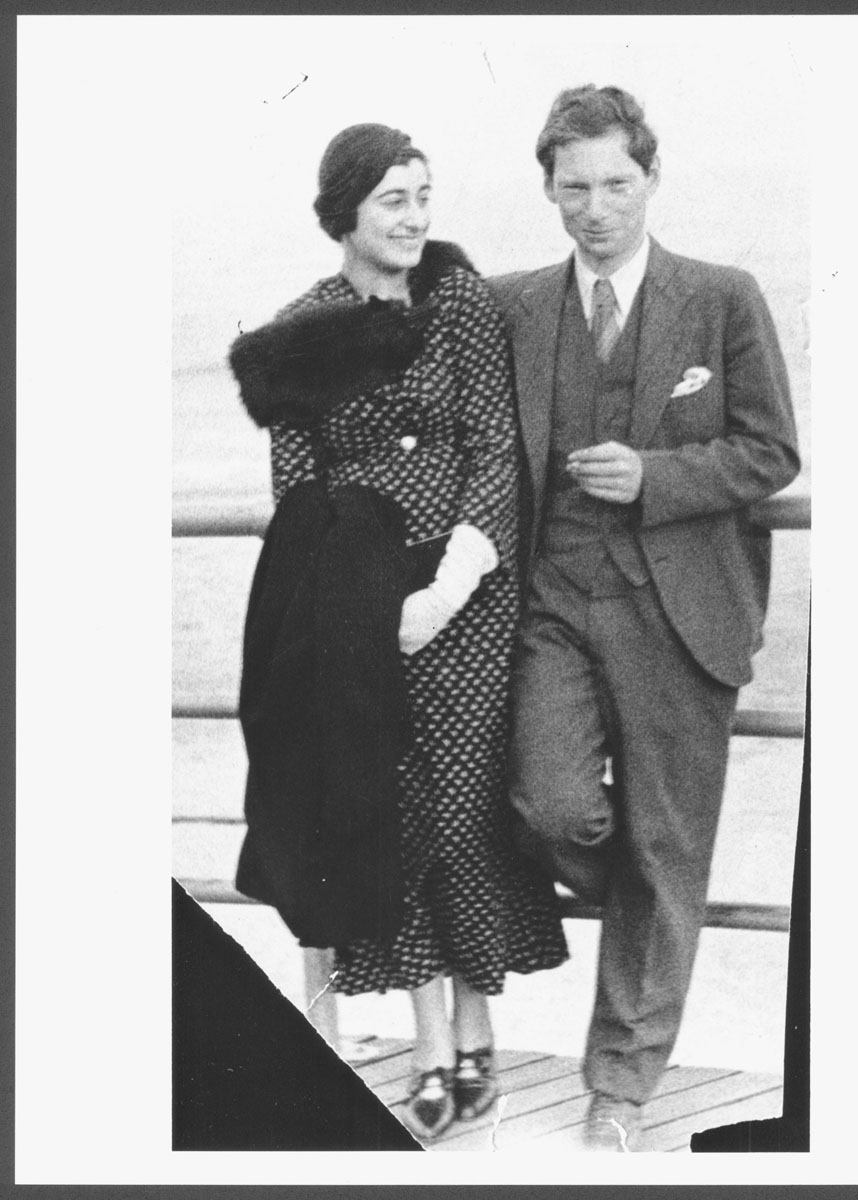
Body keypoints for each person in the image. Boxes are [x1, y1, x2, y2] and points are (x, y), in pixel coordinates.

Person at [229, 123, 568, 1143]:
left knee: (467, 808)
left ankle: (477, 1023)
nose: (415, 216)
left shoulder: (456, 300)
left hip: (467, 593)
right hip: (363, 615)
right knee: (397, 811)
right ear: (346, 211)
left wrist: (456, 580)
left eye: (423, 194)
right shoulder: (298, 337)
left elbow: (493, 450)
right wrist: (373, 613)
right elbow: (303, 497)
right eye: (392, 199)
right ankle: (430, 1041)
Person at [490, 85, 801, 1151]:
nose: (595, 208)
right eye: (572, 186)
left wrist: (655, 474)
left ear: (650, 179)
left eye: (615, 183)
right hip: (553, 603)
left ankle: (617, 1089)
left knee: (669, 849)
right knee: (550, 808)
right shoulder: (511, 305)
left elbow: (769, 453)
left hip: (682, 615)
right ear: (546, 189)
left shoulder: (721, 296)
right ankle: (653, 890)